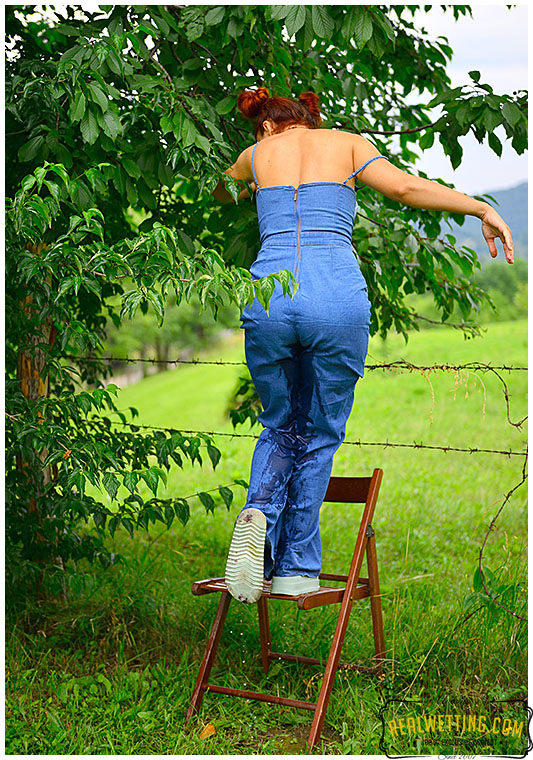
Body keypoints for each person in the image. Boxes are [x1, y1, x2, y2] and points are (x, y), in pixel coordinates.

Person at [213, 86, 514, 604]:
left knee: (280, 422)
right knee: (320, 431)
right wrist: (479, 207)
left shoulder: (254, 156)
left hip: (269, 296)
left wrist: (250, 181)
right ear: (312, 118)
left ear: (265, 124)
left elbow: (220, 191)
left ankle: (258, 513)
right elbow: (404, 189)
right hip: (334, 296)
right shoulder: (348, 144)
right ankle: (296, 568)